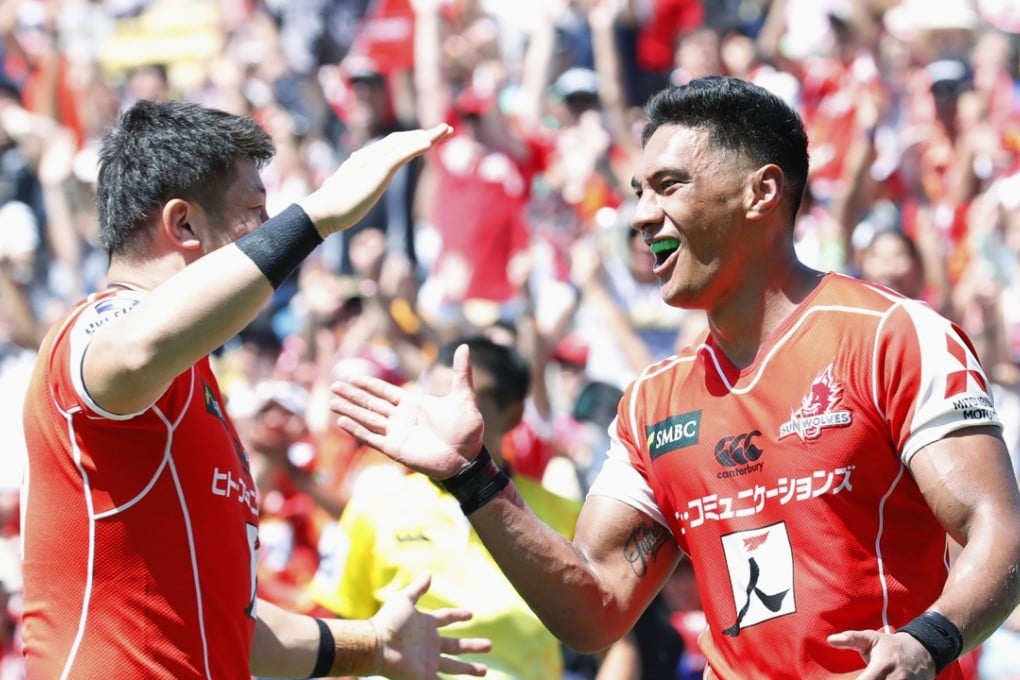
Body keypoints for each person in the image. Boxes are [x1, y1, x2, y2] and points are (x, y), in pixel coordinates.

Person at [330, 76, 1020, 679]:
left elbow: (999, 532)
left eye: (668, 186)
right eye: (638, 192)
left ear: (762, 191)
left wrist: (926, 643)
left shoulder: (894, 337)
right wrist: (473, 477)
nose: (640, 217)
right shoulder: (653, 403)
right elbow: (596, 608)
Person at [19, 99, 490, 679]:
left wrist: (371, 644)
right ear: (184, 224)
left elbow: (231, 624)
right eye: (256, 211)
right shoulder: (96, 331)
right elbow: (134, 348)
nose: (269, 234)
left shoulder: (189, 375)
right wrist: (317, 216)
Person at [310, 336, 583, 679]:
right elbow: (342, 631)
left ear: (512, 416)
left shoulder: (567, 516)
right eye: (431, 399)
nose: (438, 415)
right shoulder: (375, 503)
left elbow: (614, 644)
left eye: (460, 403)